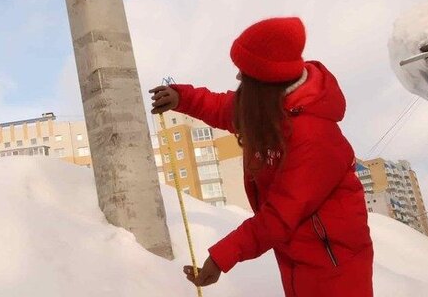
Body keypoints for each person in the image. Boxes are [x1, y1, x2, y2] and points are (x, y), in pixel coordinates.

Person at [149, 17, 374, 296]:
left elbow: (280, 216)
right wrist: (181, 98)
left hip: (334, 263)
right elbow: (223, 107)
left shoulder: (314, 137)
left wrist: (221, 258)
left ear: (267, 80)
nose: (238, 77)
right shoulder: (268, 106)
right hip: (298, 253)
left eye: (245, 72)